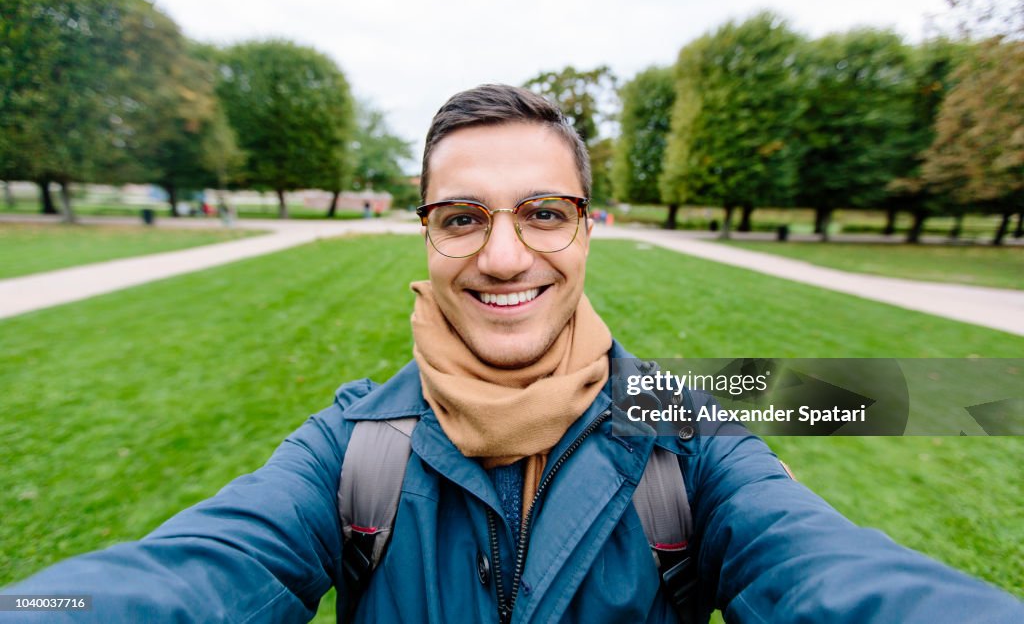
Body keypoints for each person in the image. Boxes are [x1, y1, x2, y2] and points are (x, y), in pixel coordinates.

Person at [2, 85, 1021, 623]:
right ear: (427, 234)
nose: (502, 254)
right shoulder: (357, 444)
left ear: (587, 230)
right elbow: (190, 577)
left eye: (542, 211)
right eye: (461, 216)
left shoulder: (688, 428)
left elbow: (825, 570)